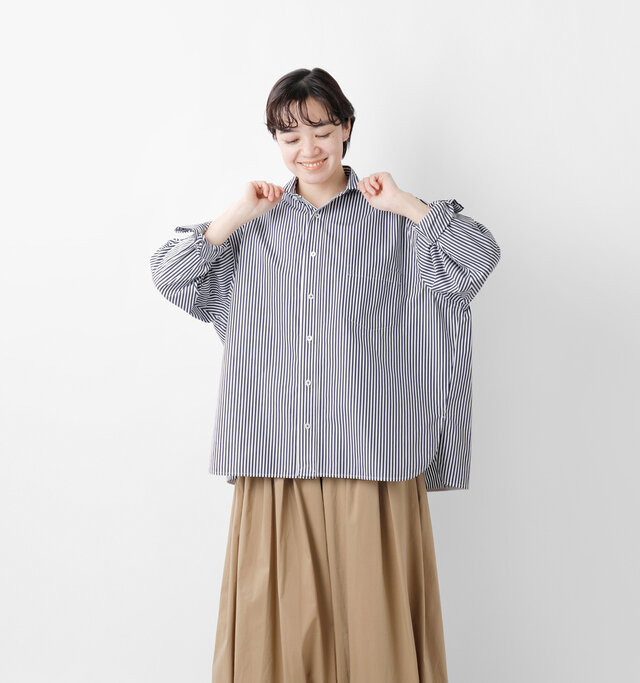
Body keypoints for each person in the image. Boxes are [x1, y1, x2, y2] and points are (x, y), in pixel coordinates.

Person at [149, 67, 501, 683]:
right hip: (275, 455)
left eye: (320, 131)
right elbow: (169, 274)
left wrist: (406, 204)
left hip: (374, 455)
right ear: (276, 143)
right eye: (290, 137)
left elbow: (477, 260)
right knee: (276, 639)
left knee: (375, 637)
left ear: (346, 130)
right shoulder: (252, 230)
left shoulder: (392, 219)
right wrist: (236, 212)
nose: (307, 149)